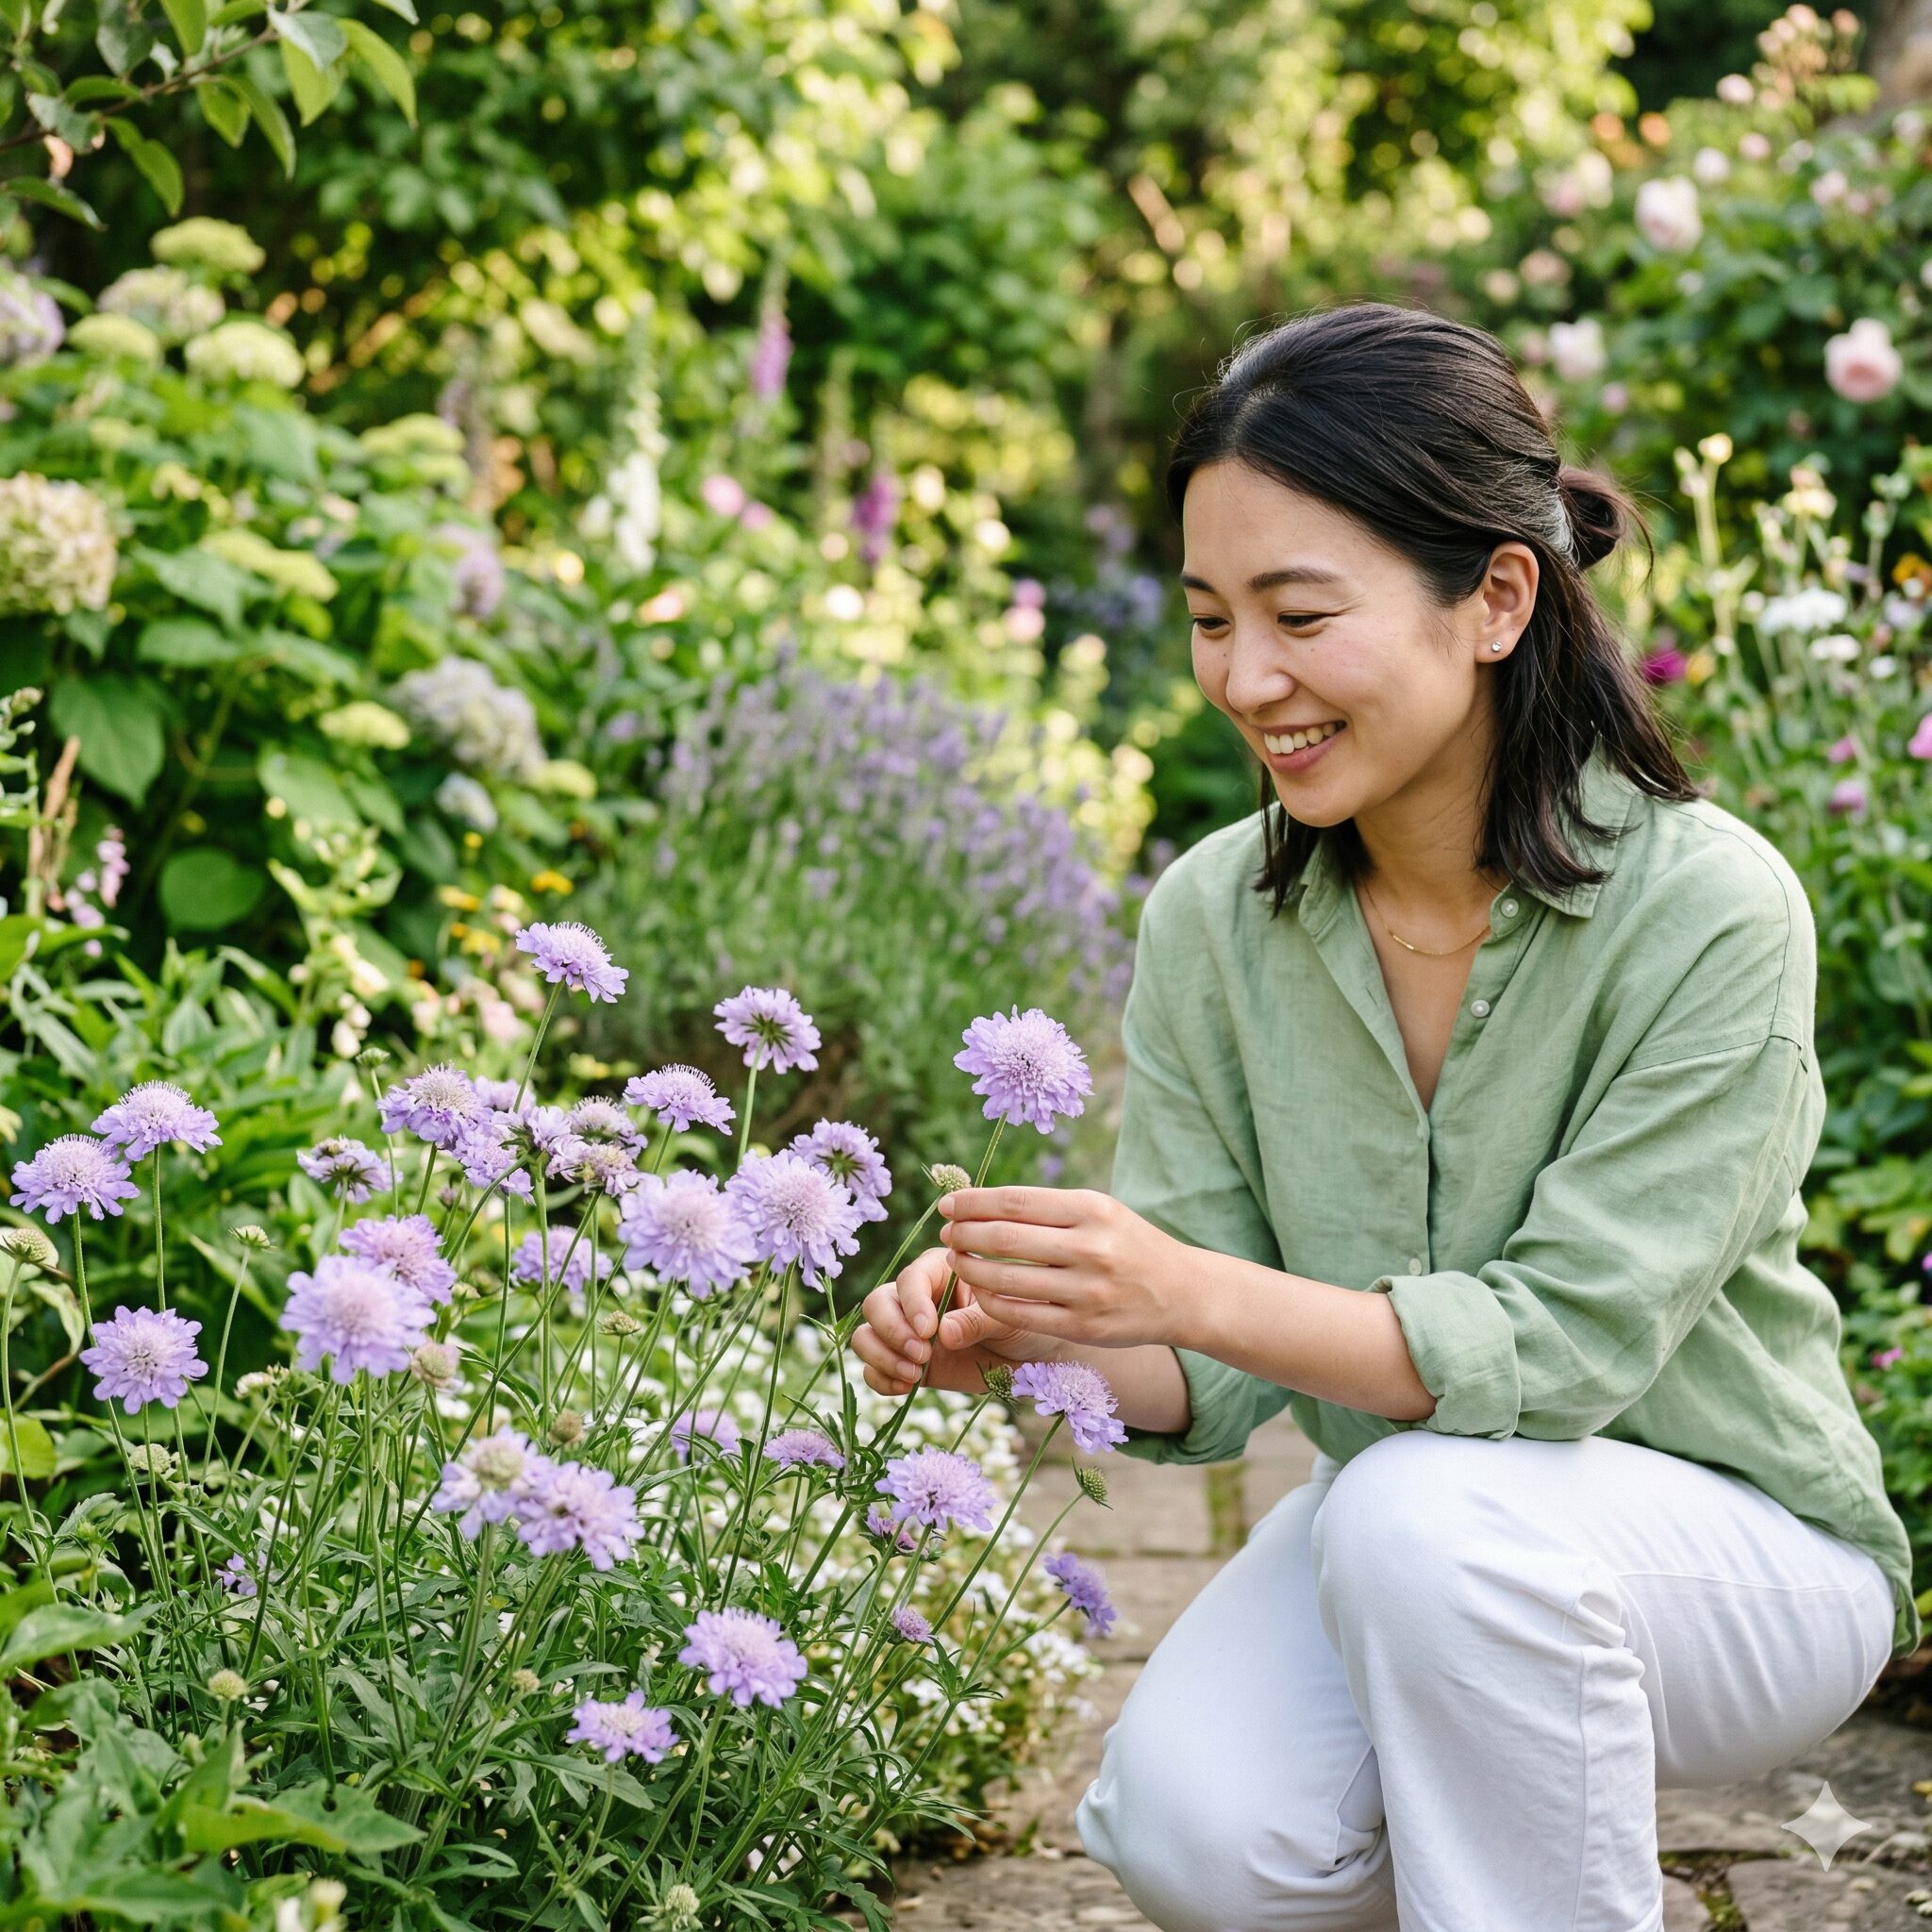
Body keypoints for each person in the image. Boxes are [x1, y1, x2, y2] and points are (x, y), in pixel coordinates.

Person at [848, 303, 1921, 1932]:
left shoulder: (1710, 909)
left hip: (1739, 1561)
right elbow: (1199, 1366)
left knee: (1424, 1512)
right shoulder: (1216, 920)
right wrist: (1032, 1332)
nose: (1245, 678)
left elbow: (1556, 1353)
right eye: (1211, 619)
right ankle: (1512, 1794)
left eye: (1299, 613)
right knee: (1195, 1839)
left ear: (1498, 595)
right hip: (1420, 1546)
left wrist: (1185, 1286)